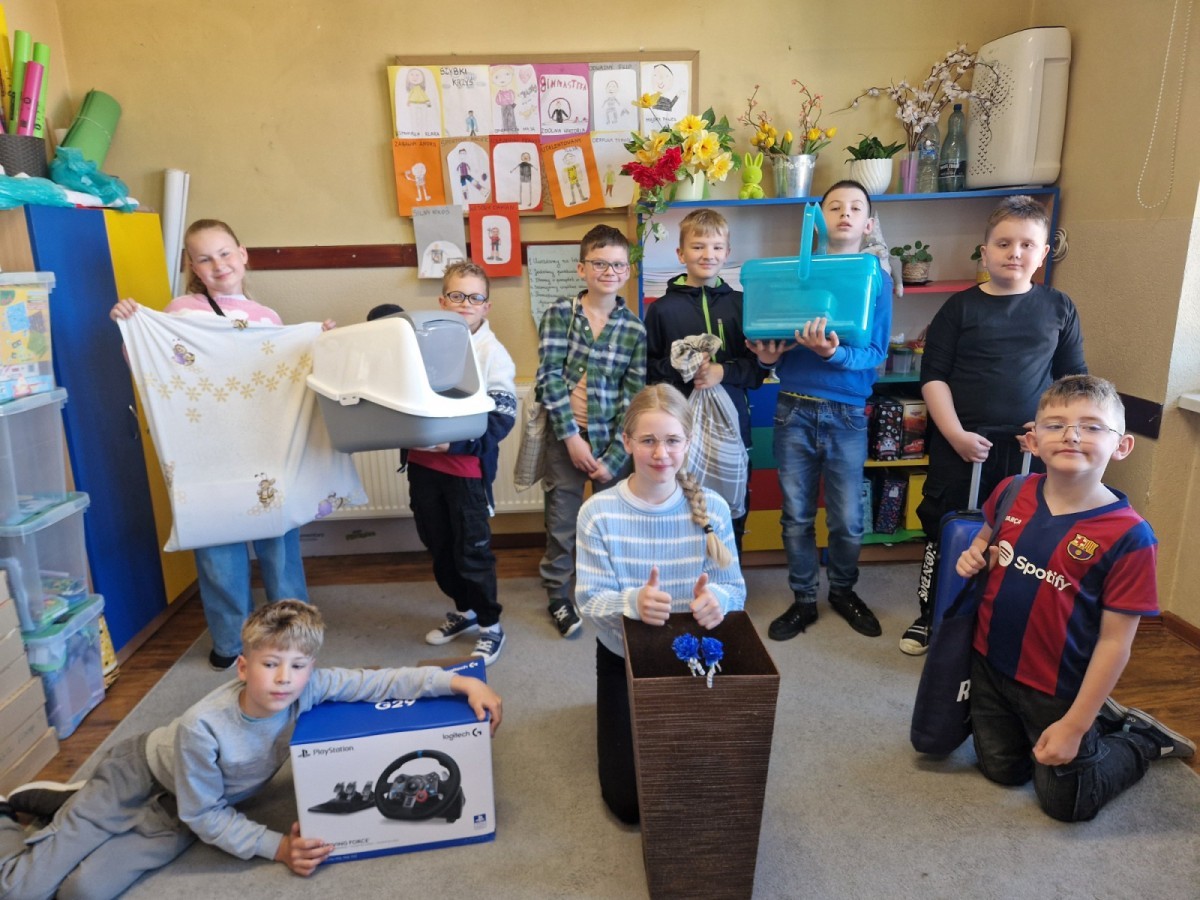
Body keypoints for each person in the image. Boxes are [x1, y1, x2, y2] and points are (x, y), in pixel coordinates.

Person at [0, 600, 503, 898]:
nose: (284, 678)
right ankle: (11, 811)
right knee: (22, 888)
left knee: (81, 891)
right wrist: (276, 846)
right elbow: (207, 815)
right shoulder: (202, 726)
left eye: (297, 666)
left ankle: (65, 802)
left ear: (310, 669)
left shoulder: (311, 685)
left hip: (189, 806)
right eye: (269, 664)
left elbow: (380, 682)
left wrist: (458, 682)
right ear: (243, 667)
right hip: (138, 774)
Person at [953, 375, 1193, 821]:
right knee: (1002, 772)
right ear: (1032, 440)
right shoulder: (1011, 491)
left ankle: (1139, 738)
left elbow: (1115, 642)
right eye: (1055, 424)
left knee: (1068, 805)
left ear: (1122, 446)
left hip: (1059, 686)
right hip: (989, 666)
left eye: (1092, 426)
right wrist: (975, 555)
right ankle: (1096, 718)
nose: (1072, 435)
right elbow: (985, 540)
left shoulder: (1130, 537)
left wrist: (1076, 724)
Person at [109, 218, 335, 672]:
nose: (219, 265)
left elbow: (284, 380)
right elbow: (155, 366)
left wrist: (319, 341)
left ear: (243, 254)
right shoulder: (181, 311)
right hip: (207, 452)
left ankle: (295, 633)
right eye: (205, 258)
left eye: (225, 253)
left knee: (280, 547)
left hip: (265, 447)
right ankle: (231, 641)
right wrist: (131, 326)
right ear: (192, 266)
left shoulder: (267, 318)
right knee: (218, 551)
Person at [900, 195, 1087, 656]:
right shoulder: (959, 308)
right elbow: (934, 378)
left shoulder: (1059, 307)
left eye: (1027, 245)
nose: (1014, 253)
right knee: (945, 527)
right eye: (1003, 244)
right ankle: (931, 614)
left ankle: (1001, 619)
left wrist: (1048, 432)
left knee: (1022, 533)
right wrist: (955, 435)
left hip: (1027, 448)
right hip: (962, 444)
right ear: (984, 252)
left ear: (1043, 254)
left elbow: (1071, 382)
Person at [575, 384, 745, 824]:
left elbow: (733, 588)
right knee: (628, 804)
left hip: (696, 653)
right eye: (647, 440)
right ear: (627, 441)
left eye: (672, 440)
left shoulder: (713, 508)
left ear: (688, 442)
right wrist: (633, 601)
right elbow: (589, 600)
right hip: (624, 656)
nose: (660, 453)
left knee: (706, 782)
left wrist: (717, 601)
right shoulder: (598, 512)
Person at [747, 180, 893, 641]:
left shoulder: (876, 277)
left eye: (855, 208)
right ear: (817, 221)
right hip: (792, 410)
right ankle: (804, 599)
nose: (845, 213)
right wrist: (767, 359)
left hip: (847, 414)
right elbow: (776, 342)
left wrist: (834, 355)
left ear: (868, 225)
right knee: (796, 516)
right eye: (834, 207)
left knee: (848, 520)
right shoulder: (797, 273)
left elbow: (875, 351)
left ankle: (843, 591)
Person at [536, 224, 646, 638]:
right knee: (561, 520)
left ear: (628, 271)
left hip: (612, 441)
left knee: (612, 522)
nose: (609, 272)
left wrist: (615, 458)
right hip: (566, 436)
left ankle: (607, 591)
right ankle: (558, 595)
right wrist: (571, 438)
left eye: (618, 265)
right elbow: (549, 377)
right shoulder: (560, 314)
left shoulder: (634, 329)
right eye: (599, 263)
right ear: (582, 268)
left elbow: (633, 399)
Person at [413, 261, 517, 666]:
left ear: (486, 306)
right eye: (456, 295)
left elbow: (502, 417)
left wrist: (455, 444)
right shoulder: (419, 345)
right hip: (423, 466)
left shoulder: (493, 354)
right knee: (438, 546)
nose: (465, 303)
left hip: (466, 472)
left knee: (471, 552)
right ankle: (467, 610)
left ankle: (490, 625)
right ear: (442, 301)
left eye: (474, 297)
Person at [643, 208, 765, 555]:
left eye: (716, 247)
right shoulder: (662, 309)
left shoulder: (742, 304)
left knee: (731, 505)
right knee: (680, 504)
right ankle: (683, 575)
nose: (707, 254)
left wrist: (722, 372)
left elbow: (757, 371)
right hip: (679, 428)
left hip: (732, 426)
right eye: (697, 246)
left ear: (727, 253)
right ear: (681, 254)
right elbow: (648, 371)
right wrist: (682, 367)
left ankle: (729, 575)